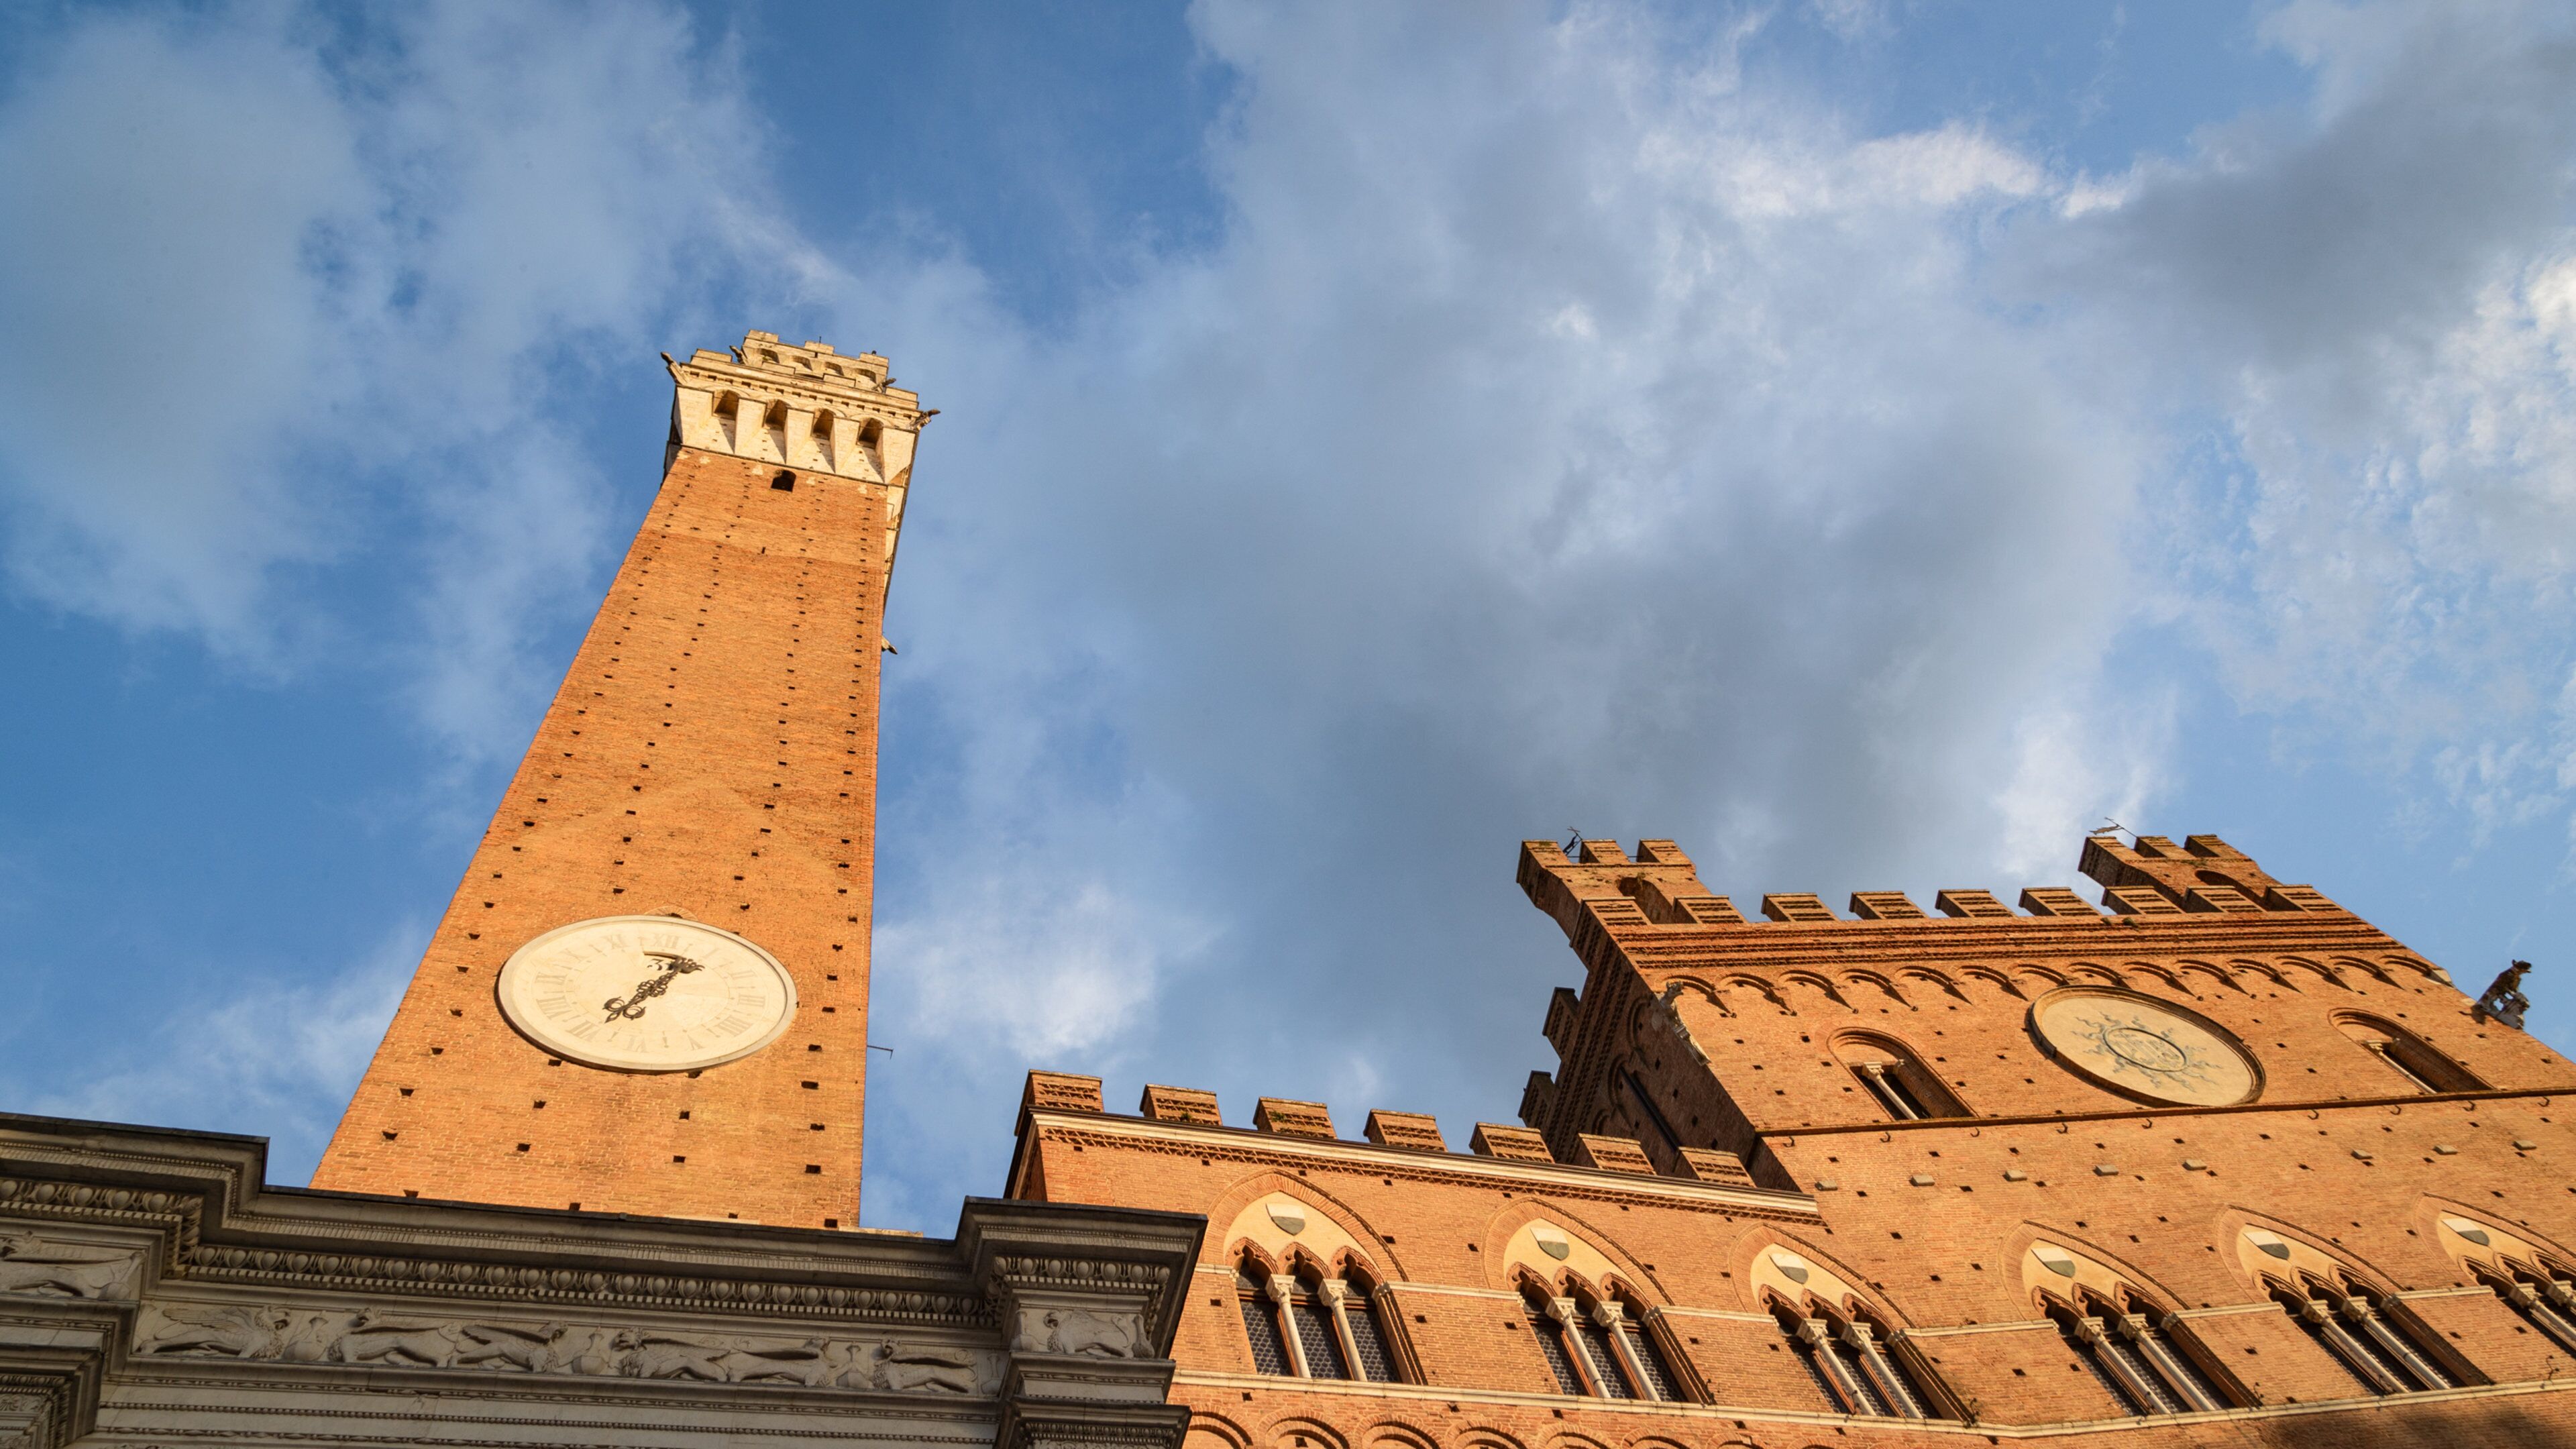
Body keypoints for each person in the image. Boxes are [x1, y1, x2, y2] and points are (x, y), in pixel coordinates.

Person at [2473, 960, 2532, 1030]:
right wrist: (2512, 994)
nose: (2523, 973)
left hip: (2502, 995)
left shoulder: (2518, 979)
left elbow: (2514, 989)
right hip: (2494, 993)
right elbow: (2501, 986)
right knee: (2489, 1000)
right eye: (2524, 971)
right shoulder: (2507, 974)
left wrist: (2516, 995)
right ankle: (2484, 1006)